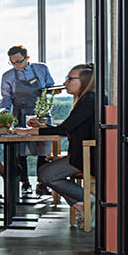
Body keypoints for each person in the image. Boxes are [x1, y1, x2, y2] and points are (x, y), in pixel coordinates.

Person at [32, 62, 98, 227]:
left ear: (84, 80)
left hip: (87, 157)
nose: (65, 82)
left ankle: (88, 199)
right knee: (45, 173)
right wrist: (43, 128)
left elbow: (65, 129)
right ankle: (80, 204)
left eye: (70, 79)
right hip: (84, 154)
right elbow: (70, 127)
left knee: (45, 174)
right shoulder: (88, 99)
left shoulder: (89, 100)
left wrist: (33, 132)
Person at [0, 45, 55, 196]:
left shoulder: (42, 69)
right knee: (21, 150)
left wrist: (53, 92)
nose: (16, 65)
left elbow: (50, 87)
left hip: (41, 113)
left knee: (44, 149)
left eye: (18, 61)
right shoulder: (7, 76)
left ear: (27, 58)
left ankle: (42, 183)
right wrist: (4, 114)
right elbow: (6, 98)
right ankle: (25, 183)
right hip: (20, 114)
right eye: (12, 62)